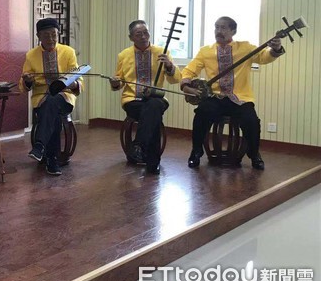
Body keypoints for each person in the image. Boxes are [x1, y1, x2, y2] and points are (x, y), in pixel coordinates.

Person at [181, 16, 284, 170]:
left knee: (252, 121)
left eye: (223, 28)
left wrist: (275, 48)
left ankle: (254, 154)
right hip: (215, 97)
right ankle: (196, 152)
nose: (219, 31)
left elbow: (264, 57)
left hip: (240, 98)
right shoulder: (205, 51)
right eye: (216, 27)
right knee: (201, 113)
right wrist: (186, 85)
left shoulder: (245, 47)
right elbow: (190, 69)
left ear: (233, 31)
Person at [109, 20, 181, 174]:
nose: (143, 37)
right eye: (138, 34)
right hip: (132, 100)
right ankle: (152, 162)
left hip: (157, 98)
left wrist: (169, 66)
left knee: (153, 105)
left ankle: (138, 145)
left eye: (146, 33)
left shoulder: (162, 52)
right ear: (131, 37)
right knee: (153, 114)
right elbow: (119, 83)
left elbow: (175, 79)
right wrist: (114, 82)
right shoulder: (124, 55)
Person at [21, 18, 82, 176]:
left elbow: (77, 77)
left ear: (58, 34)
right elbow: (24, 83)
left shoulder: (68, 52)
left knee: (53, 102)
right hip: (41, 96)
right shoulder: (31, 55)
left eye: (54, 35)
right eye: (46, 35)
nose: (51, 39)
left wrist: (73, 84)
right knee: (51, 109)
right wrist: (28, 80)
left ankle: (40, 147)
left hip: (65, 96)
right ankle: (52, 160)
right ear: (38, 36)